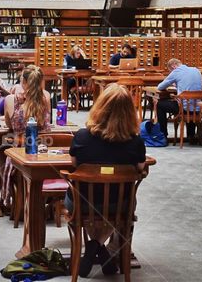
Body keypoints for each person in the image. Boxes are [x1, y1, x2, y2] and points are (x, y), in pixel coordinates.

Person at [69, 84, 147, 276]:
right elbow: (139, 168)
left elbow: (74, 163)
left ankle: (94, 245)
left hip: (83, 204)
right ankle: (104, 249)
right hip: (120, 205)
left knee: (87, 201)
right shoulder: (135, 142)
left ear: (100, 107)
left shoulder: (82, 137)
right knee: (118, 206)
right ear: (130, 112)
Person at [155, 58, 202, 144]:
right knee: (190, 102)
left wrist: (172, 82)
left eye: (170, 71)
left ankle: (163, 135)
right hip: (198, 108)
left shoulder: (176, 71)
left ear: (174, 66)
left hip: (184, 108)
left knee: (160, 105)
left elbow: (160, 87)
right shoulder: (196, 70)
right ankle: (191, 136)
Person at [3, 67, 53, 133]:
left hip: (21, 142)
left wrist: (18, 87)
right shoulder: (46, 96)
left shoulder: (10, 100)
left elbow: (9, 125)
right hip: (45, 142)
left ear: (23, 80)